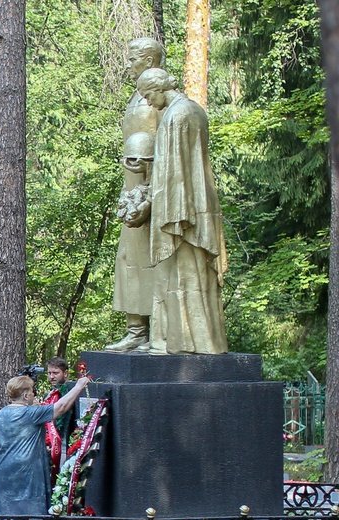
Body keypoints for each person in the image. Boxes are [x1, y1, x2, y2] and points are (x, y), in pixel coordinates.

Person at [136, 67, 229, 355]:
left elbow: (174, 173)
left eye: (149, 95)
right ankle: (192, 340)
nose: (149, 103)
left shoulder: (177, 116)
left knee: (184, 276)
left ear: (161, 88)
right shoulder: (193, 110)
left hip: (183, 210)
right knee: (191, 277)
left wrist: (170, 215)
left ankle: (186, 342)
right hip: (199, 205)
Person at [107, 37, 164, 352]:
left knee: (152, 262)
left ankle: (157, 332)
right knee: (129, 260)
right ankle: (136, 330)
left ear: (150, 61)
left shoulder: (158, 101)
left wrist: (149, 194)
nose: (128, 66)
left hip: (150, 191)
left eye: (133, 60)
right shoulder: (138, 98)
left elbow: (162, 149)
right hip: (132, 189)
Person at [0, 374, 91, 516]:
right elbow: (61, 407)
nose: (33, 394)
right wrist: (79, 386)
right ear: (25, 395)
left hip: (4, 474)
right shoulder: (31, 413)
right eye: (31, 391)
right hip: (29, 475)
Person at [44, 357, 76, 448]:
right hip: (50, 442)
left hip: (67, 440)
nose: (51, 377)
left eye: (55, 373)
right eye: (49, 373)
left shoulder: (71, 392)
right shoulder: (48, 394)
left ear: (65, 373)